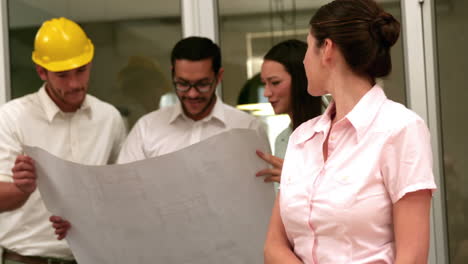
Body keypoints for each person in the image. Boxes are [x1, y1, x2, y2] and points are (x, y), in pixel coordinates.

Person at [263, 0, 437, 263]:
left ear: (327, 49)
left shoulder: (400, 129)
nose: (304, 60)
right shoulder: (302, 137)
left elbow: (411, 257)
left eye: (308, 47)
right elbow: (274, 246)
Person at [50, 36, 269, 239]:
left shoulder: (247, 129)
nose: (192, 93)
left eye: (202, 84)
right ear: (172, 74)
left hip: (227, 249)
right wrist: (79, 221)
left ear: (218, 77)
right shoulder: (148, 128)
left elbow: (259, 202)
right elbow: (120, 193)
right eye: (183, 84)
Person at [0, 17, 126, 263]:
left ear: (90, 62)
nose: (75, 84)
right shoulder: (11, 118)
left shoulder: (109, 118)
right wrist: (20, 189)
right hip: (26, 259)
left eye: (81, 71)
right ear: (41, 72)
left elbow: (119, 194)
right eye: (62, 75)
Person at [255, 39, 322, 184]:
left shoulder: (334, 130)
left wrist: (297, 178)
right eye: (264, 83)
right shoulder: (282, 139)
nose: (266, 93)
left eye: (275, 83)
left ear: (301, 80)